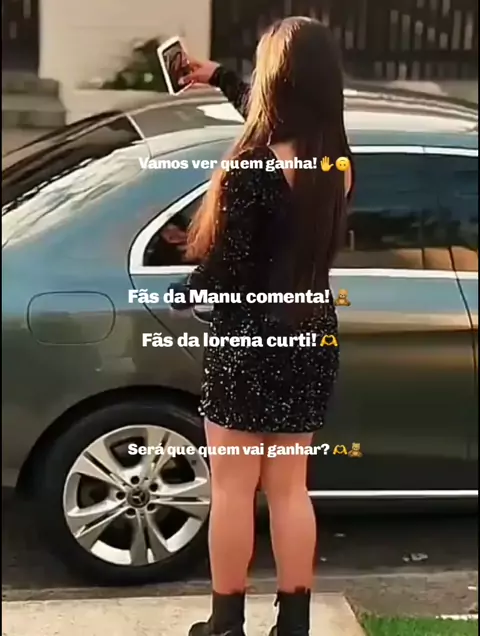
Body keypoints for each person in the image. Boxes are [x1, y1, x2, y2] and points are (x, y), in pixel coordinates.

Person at [171, 16, 354, 636]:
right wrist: (220, 77)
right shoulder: (337, 160)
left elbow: (227, 271)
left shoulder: (252, 165)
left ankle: (225, 625)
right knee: (290, 488)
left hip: (249, 342)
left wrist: (184, 292)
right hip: (310, 336)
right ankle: (293, 625)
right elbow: (269, 116)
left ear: (279, 79)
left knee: (231, 489)